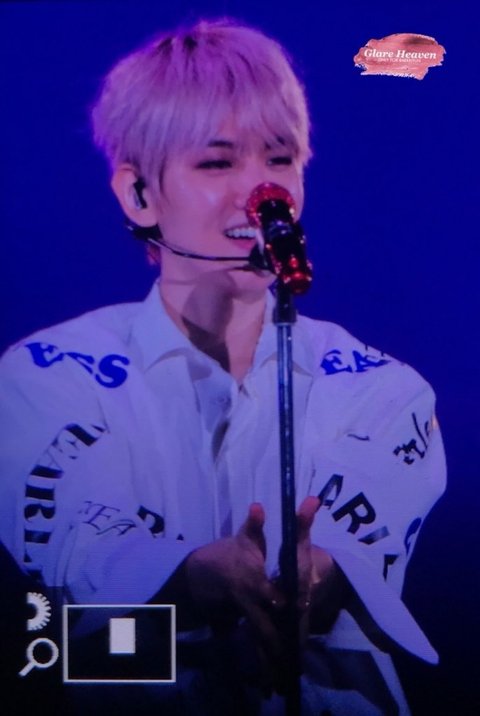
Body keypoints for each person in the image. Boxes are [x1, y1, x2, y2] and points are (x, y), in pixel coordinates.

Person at [0, 18, 446, 716]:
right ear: (139, 194)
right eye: (217, 163)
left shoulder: (382, 389)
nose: (260, 193)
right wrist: (201, 575)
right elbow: (79, 557)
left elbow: (358, 551)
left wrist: (313, 576)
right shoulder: (44, 377)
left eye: (280, 159)